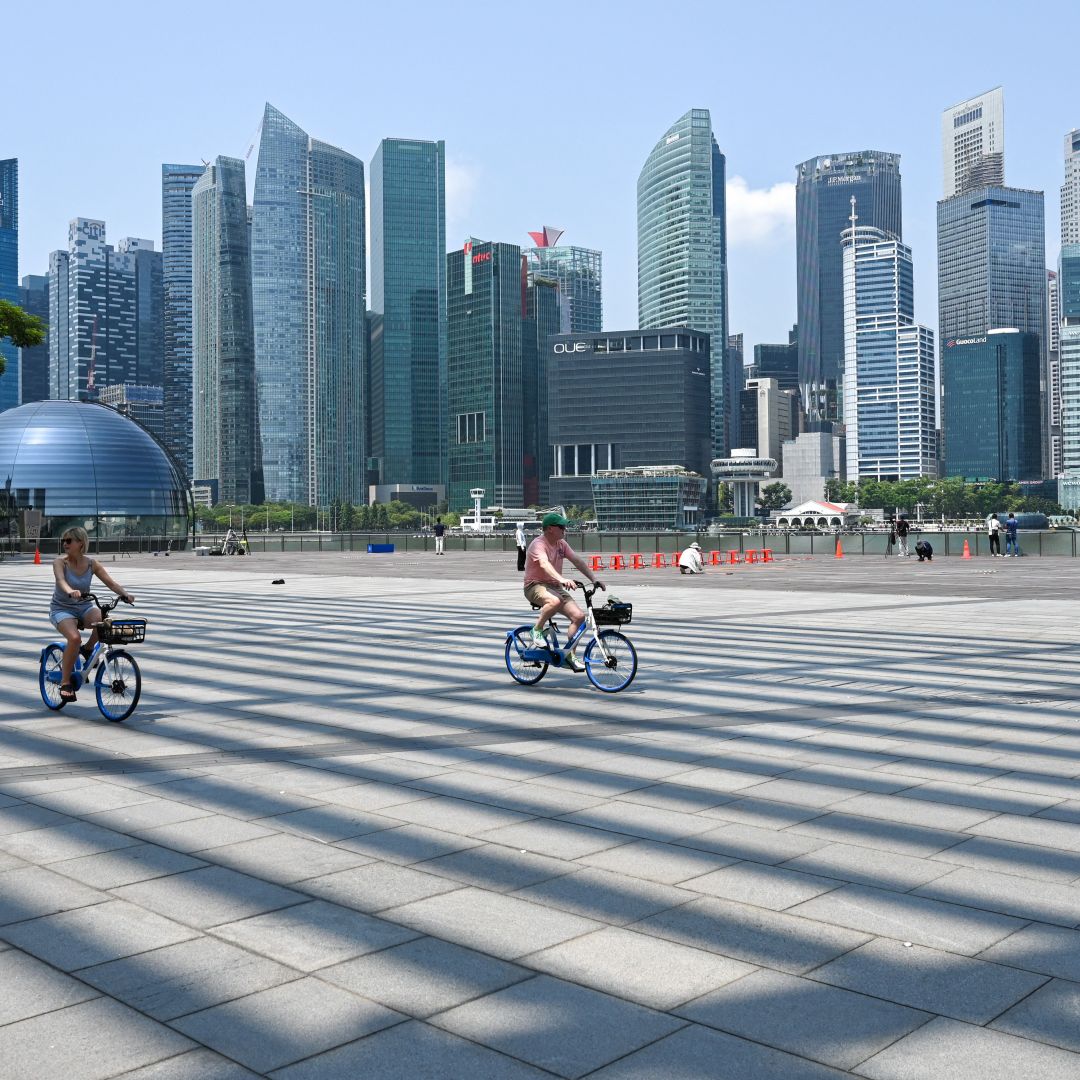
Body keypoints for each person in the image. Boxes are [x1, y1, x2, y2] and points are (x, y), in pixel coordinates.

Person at [50, 526, 134, 703]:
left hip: (83, 606)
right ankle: (65, 682)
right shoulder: (60, 562)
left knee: (103, 621)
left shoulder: (91, 564)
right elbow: (61, 581)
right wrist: (70, 591)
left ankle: (87, 649)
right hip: (61, 608)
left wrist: (124, 594)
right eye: (63, 541)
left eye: (69, 540)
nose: (65, 544)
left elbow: (110, 583)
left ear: (80, 543)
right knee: (74, 638)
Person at [523, 512, 604, 672]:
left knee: (579, 617)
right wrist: (561, 579)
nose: (564, 529)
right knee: (555, 601)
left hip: (555, 586)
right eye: (561, 527)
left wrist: (594, 579)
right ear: (550, 529)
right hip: (534, 585)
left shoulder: (561, 544)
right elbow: (544, 564)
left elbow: (577, 561)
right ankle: (536, 630)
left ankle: (570, 656)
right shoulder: (538, 544)